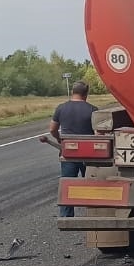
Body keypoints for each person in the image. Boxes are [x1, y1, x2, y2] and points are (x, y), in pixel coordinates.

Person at [47, 81, 98, 217]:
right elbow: (99, 134)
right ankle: (93, 213)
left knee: (67, 183)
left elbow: (52, 129)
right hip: (89, 153)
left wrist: (59, 139)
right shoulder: (92, 110)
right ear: (86, 94)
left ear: (72, 92)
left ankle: (66, 215)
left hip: (69, 152)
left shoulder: (61, 108)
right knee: (92, 182)